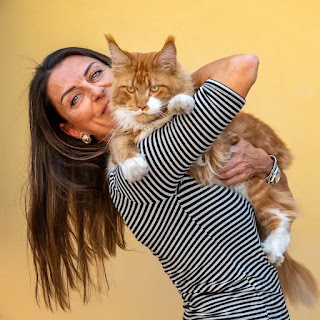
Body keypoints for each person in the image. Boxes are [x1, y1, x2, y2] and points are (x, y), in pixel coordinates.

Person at [27, 46, 291, 319]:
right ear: (74, 130)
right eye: (75, 99)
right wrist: (167, 85)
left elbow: (276, 204)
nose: (95, 91)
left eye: (95, 74)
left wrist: (266, 165)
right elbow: (243, 66)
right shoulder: (146, 161)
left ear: (118, 71)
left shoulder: (173, 139)